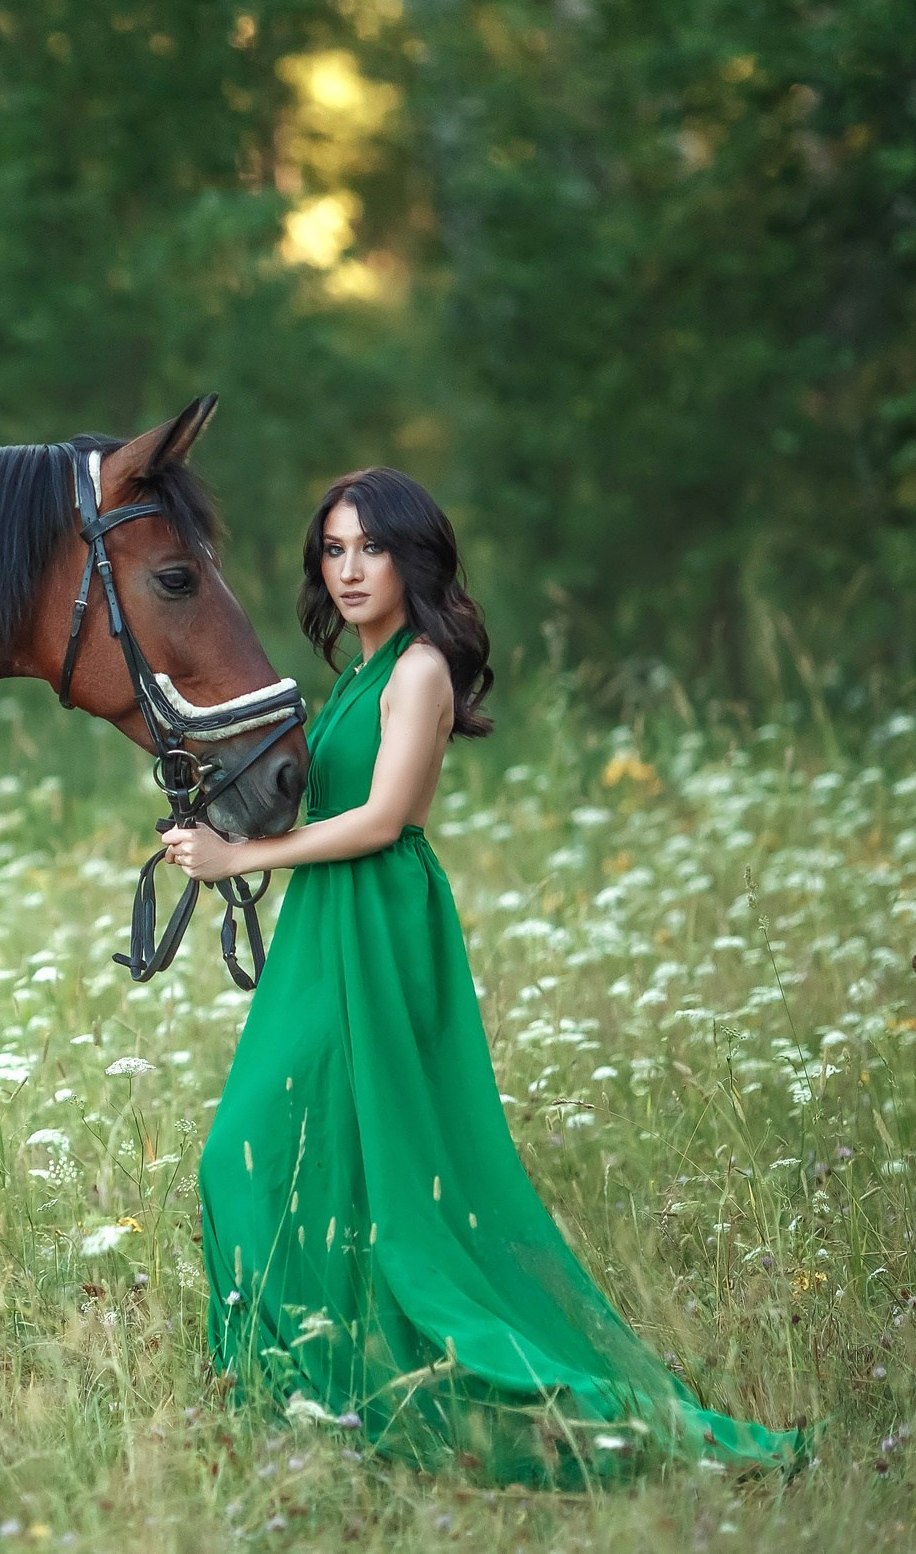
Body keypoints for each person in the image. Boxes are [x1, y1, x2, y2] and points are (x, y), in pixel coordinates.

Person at [161, 467, 805, 1484]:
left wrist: (239, 863)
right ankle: (323, 1394)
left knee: (264, 1150)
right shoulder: (355, 679)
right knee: (296, 1154)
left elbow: (385, 822)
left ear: (411, 557)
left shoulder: (418, 669)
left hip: (376, 922)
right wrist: (215, 824)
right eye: (332, 550)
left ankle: (395, 1386)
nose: (349, 569)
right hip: (328, 923)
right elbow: (319, 804)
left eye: (369, 547)